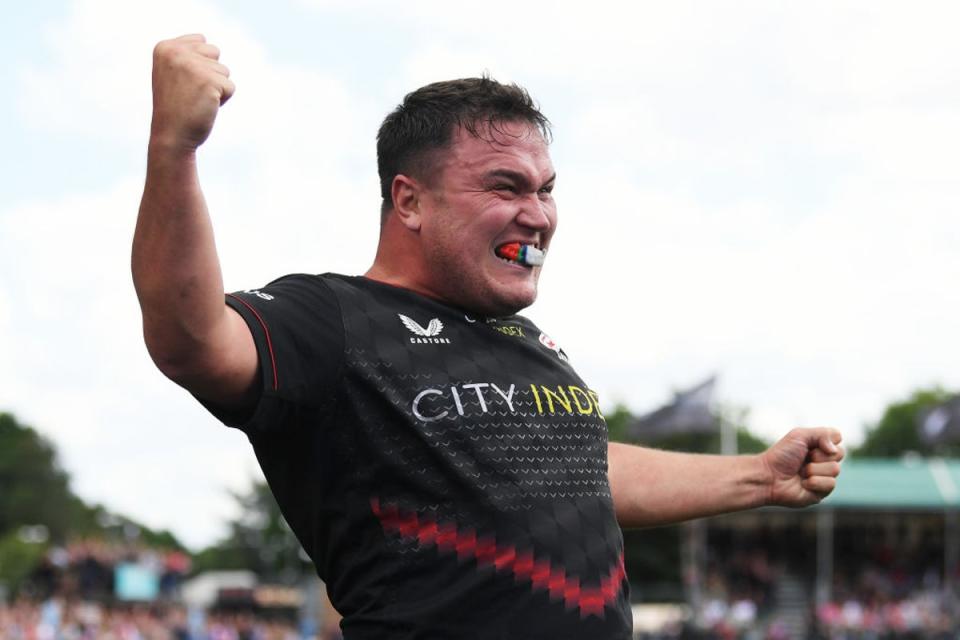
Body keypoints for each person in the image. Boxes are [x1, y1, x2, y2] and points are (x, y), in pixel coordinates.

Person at [133, 34, 844, 640]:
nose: (538, 215)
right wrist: (175, 147)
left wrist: (758, 476)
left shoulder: (528, 342)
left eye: (546, 189)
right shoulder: (332, 316)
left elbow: (581, 469)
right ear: (409, 200)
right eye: (507, 187)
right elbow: (190, 339)